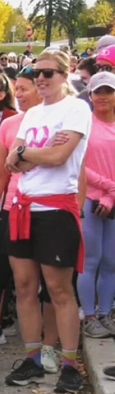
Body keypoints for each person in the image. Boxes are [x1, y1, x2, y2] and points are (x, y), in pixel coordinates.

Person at [3, 50, 92, 394]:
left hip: (56, 210)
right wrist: (28, 155)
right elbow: (13, 163)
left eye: (47, 73)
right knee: (24, 287)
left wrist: (27, 155)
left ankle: (69, 364)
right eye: (33, 72)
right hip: (23, 207)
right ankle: (33, 358)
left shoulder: (76, 109)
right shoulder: (32, 114)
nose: (40, 78)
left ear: (65, 73)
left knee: (58, 289)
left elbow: (59, 157)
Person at [0, 70, 57, 374]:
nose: (19, 94)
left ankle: (48, 348)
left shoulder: (58, 120)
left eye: (25, 89)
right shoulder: (9, 125)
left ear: (42, 89)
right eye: (16, 89)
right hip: (11, 210)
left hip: (48, 210)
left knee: (49, 285)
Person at [80, 71, 115, 338]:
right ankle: (89, 316)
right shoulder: (85, 125)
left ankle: (106, 313)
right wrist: (107, 190)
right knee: (89, 261)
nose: (103, 96)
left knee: (111, 261)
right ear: (90, 95)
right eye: (98, 92)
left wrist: (112, 195)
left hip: (112, 199)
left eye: (108, 91)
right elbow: (80, 165)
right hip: (91, 200)